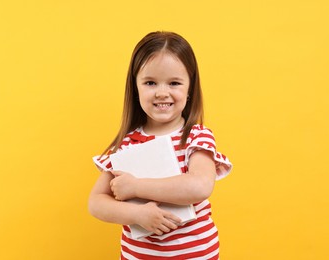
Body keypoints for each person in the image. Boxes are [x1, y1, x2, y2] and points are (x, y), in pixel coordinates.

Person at [88, 31, 232, 259]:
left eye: (174, 83)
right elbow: (96, 203)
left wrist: (136, 187)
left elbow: (199, 186)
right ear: (136, 88)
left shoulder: (196, 137)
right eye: (150, 82)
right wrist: (137, 214)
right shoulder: (127, 144)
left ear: (189, 88)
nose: (162, 93)